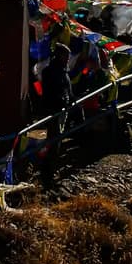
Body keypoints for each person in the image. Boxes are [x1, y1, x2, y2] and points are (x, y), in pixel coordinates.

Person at [39, 43, 73, 182]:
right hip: (54, 108)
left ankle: (50, 165)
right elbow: (55, 90)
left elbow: (67, 89)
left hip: (61, 107)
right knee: (54, 137)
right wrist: (64, 99)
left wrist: (70, 98)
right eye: (66, 56)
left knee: (56, 136)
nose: (68, 59)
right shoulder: (53, 71)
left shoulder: (62, 70)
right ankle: (49, 167)